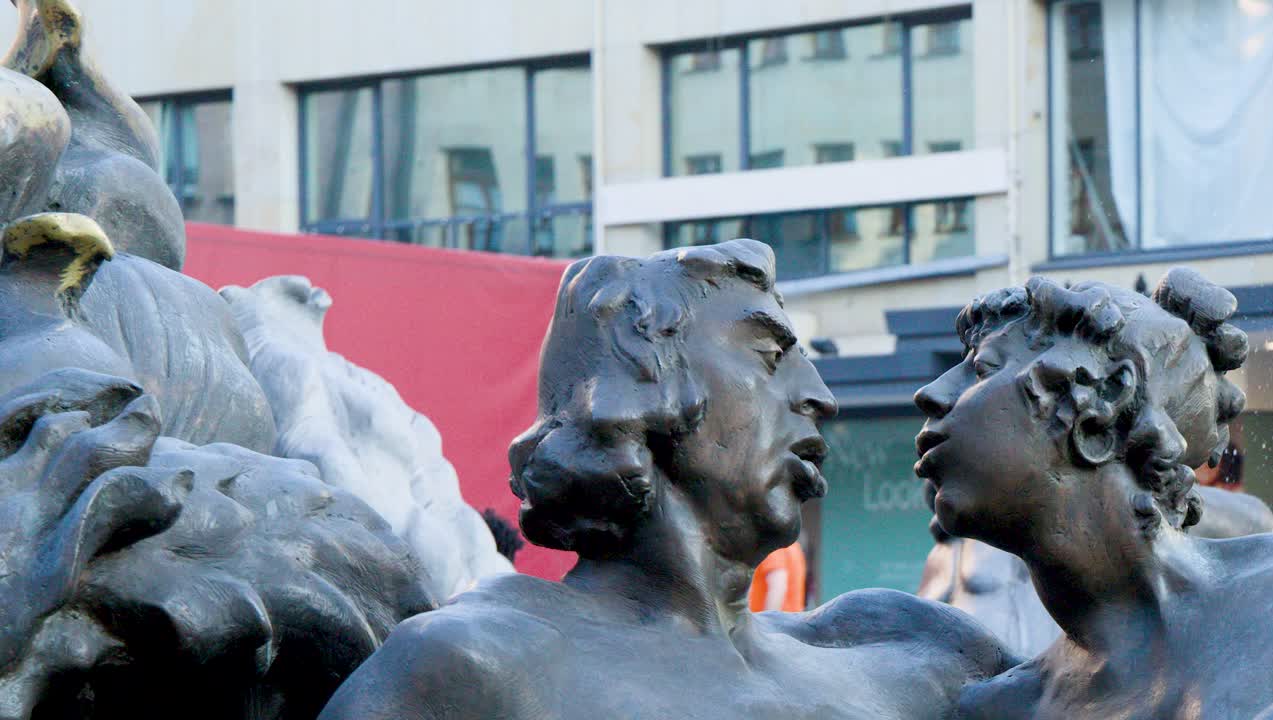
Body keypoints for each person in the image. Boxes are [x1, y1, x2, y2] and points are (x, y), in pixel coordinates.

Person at [320, 240, 1014, 720]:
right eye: (770, 354)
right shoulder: (473, 672)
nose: (821, 396)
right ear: (638, 385)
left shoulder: (907, 649)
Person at [914, 268, 1273, 718]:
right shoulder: (998, 707)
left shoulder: (1271, 598)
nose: (929, 394)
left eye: (984, 367)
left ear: (1096, 419)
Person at [749, 542, 807, 612]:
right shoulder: (792, 544)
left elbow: (778, 586)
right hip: (790, 618)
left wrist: (768, 621)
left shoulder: (772, 545)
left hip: (777, 620)